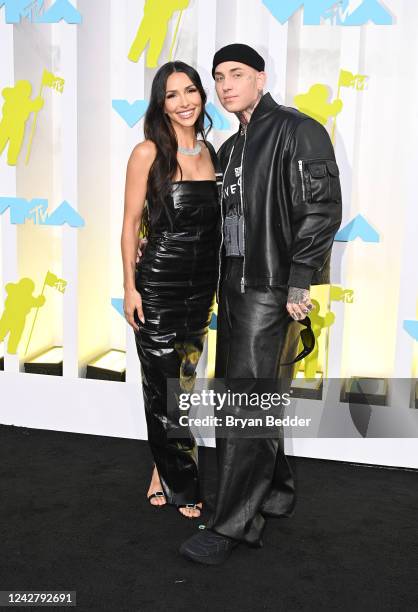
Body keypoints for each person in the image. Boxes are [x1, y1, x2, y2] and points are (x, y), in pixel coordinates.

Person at [180, 44, 342, 563]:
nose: (226, 85)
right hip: (234, 290)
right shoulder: (229, 148)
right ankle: (274, 493)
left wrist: (299, 283)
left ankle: (231, 527)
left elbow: (321, 210)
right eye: (219, 77)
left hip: (271, 291)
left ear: (260, 77)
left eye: (237, 74)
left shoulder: (298, 130)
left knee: (243, 407)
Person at [121, 61, 221, 519]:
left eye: (191, 91)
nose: (185, 102)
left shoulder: (211, 152)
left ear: (201, 95)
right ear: (160, 103)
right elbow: (130, 225)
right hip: (159, 282)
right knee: (162, 388)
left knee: (181, 382)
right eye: (172, 95)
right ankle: (183, 485)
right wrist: (130, 286)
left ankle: (162, 469)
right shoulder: (147, 152)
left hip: (202, 286)